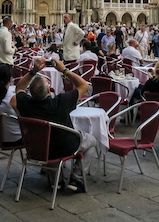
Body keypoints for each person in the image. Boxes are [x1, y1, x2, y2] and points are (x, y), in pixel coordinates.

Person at [10, 58, 96, 192]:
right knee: (91, 140)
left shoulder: (25, 103)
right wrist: (64, 70)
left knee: (49, 139)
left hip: (39, 147)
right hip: (65, 146)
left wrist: (33, 71)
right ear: (49, 91)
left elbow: (20, 87)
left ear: (31, 93)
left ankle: (56, 180)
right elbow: (84, 85)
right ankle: (77, 179)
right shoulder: (60, 102)